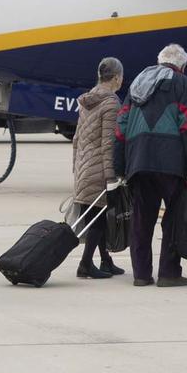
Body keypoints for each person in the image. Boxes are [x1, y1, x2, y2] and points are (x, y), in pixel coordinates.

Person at [111, 43, 187, 288]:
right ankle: (168, 273)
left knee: (142, 219)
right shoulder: (183, 85)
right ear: (182, 65)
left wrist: (120, 166)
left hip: (138, 162)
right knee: (173, 219)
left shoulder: (137, 85)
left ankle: (141, 274)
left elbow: (120, 128)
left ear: (159, 60)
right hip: (171, 163)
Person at [70, 56, 126, 279]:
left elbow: (76, 138)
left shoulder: (87, 100)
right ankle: (85, 265)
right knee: (99, 220)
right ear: (115, 78)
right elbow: (108, 142)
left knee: (93, 217)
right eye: (121, 77)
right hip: (99, 169)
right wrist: (111, 176)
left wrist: (77, 167)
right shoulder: (111, 102)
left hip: (84, 166)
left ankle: (105, 261)